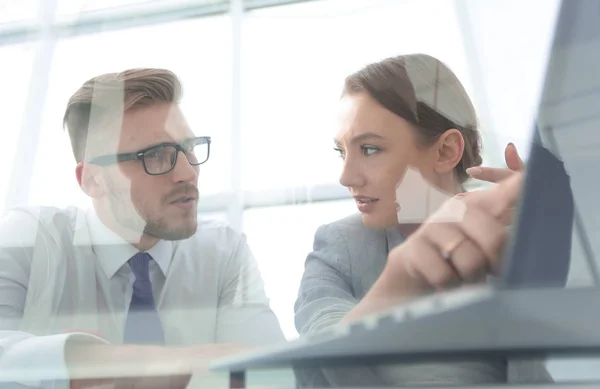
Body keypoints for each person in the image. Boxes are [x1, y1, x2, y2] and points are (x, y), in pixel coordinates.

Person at [0, 68, 285, 389]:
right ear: (93, 179)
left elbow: (269, 375)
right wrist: (135, 365)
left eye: (188, 148)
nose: (187, 173)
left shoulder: (222, 252)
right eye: (156, 155)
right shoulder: (32, 238)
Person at [294, 53, 549, 387]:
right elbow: (320, 357)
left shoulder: (518, 238)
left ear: (445, 152)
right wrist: (401, 278)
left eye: (369, 149)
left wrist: (564, 242)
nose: (346, 177)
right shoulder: (338, 247)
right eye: (342, 152)